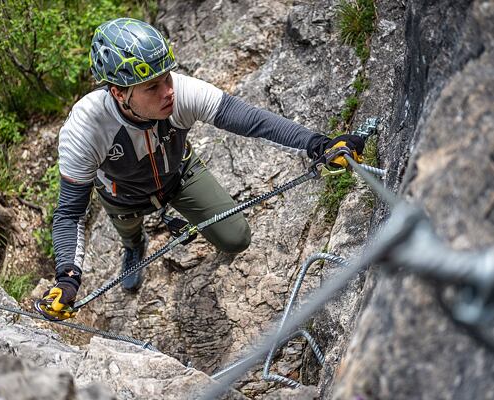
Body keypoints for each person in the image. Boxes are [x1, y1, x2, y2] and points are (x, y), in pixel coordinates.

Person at [42, 17, 364, 317]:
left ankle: (152, 231)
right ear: (118, 93)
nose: (168, 91)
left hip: (179, 174)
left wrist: (318, 145)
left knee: (236, 238)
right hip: (123, 197)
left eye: (167, 77)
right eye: (151, 87)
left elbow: (252, 121)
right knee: (130, 233)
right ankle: (135, 246)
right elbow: (70, 213)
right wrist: (68, 278)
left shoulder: (181, 93)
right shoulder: (85, 129)